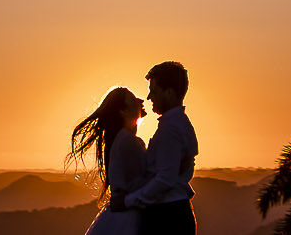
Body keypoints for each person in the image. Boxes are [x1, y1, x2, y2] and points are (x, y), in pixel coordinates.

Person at [118, 60, 199, 235]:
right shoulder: (180, 125)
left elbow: (165, 179)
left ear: (169, 93)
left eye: (154, 91)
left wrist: (128, 201)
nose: (149, 97)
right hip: (172, 213)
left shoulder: (171, 130)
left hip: (167, 218)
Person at [68, 86, 151, 234]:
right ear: (123, 111)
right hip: (128, 219)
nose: (140, 101)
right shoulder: (129, 141)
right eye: (133, 100)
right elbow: (148, 179)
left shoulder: (119, 140)